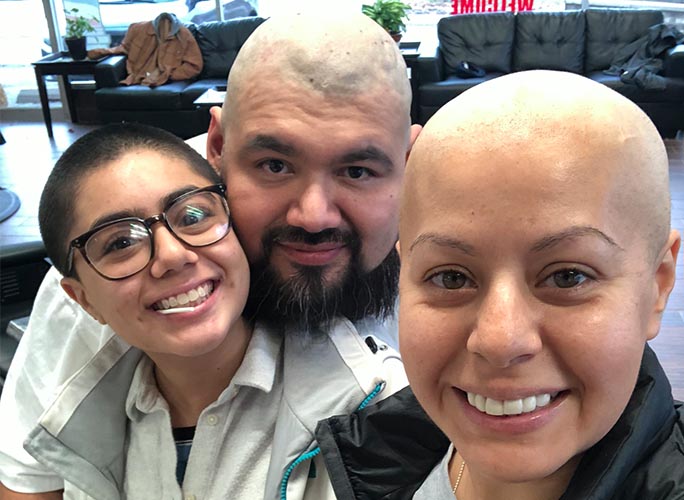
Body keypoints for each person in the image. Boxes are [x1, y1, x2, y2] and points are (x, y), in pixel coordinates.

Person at [0, 11, 417, 500]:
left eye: (358, 170)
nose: (313, 215)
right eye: (275, 165)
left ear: (409, 163)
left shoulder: (453, 260)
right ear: (217, 146)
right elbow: (30, 476)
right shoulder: (117, 269)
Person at [316, 70, 684, 499]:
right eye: (451, 278)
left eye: (568, 277)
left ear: (658, 286)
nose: (500, 339)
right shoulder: (348, 463)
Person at [32, 122, 256, 497]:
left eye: (193, 216)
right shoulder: (81, 432)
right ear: (84, 300)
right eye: (121, 242)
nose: (172, 254)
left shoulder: (356, 411)